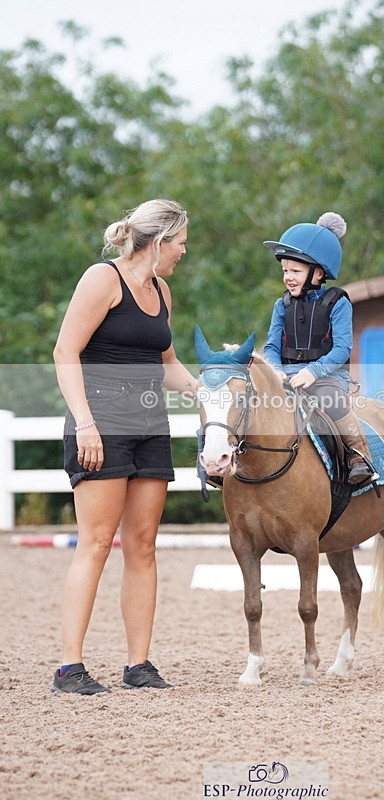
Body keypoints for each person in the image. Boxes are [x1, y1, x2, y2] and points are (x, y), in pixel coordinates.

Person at [52, 199, 199, 695]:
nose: (183, 251)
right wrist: (86, 424)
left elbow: (167, 363)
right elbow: (65, 351)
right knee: (95, 543)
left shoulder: (162, 291)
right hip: (101, 422)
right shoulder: (101, 280)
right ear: (159, 241)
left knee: (142, 545)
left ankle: (139, 665)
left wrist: (206, 391)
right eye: (179, 243)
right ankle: (70, 667)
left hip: (149, 423)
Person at [263, 212, 378, 486]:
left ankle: (359, 455)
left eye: (295, 271)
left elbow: (342, 349)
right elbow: (270, 346)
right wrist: (275, 371)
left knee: (331, 400)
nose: (288, 277)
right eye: (285, 271)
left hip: (326, 378)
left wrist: (313, 372)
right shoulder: (282, 305)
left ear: (317, 272)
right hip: (287, 377)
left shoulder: (338, 303)